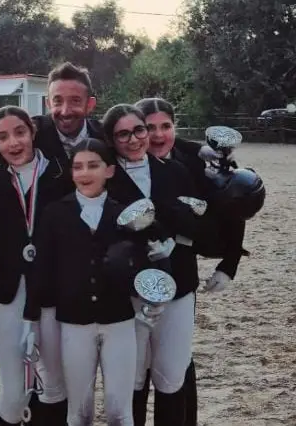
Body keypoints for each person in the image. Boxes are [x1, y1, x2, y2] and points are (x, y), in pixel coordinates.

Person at [26, 139, 170, 426]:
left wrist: (157, 288)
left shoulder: (125, 214)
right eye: (78, 167)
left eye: (93, 165)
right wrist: (31, 321)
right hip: (73, 323)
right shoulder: (55, 214)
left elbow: (152, 259)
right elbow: (40, 270)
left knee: (120, 412)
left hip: (119, 322)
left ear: (110, 171)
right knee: (79, 412)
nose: (84, 173)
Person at [134, 97, 248, 426]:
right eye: (149, 127)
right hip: (131, 278)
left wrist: (229, 264)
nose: (157, 135)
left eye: (165, 127)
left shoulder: (195, 159)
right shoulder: (123, 156)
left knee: (177, 363)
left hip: (181, 272)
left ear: (175, 126)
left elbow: (232, 206)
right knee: (135, 370)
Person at [102, 104, 214, 425]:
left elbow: (198, 227)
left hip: (177, 287)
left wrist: (170, 225)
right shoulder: (107, 177)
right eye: (123, 134)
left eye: (140, 130)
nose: (135, 139)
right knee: (132, 381)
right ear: (112, 140)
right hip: (128, 294)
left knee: (171, 377)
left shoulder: (175, 171)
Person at [0, 106, 72, 425]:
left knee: (56, 385)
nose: (13, 143)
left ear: (33, 132)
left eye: (19, 132)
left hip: (51, 290)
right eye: (2, 137)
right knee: (14, 392)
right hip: (9, 290)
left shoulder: (61, 173)